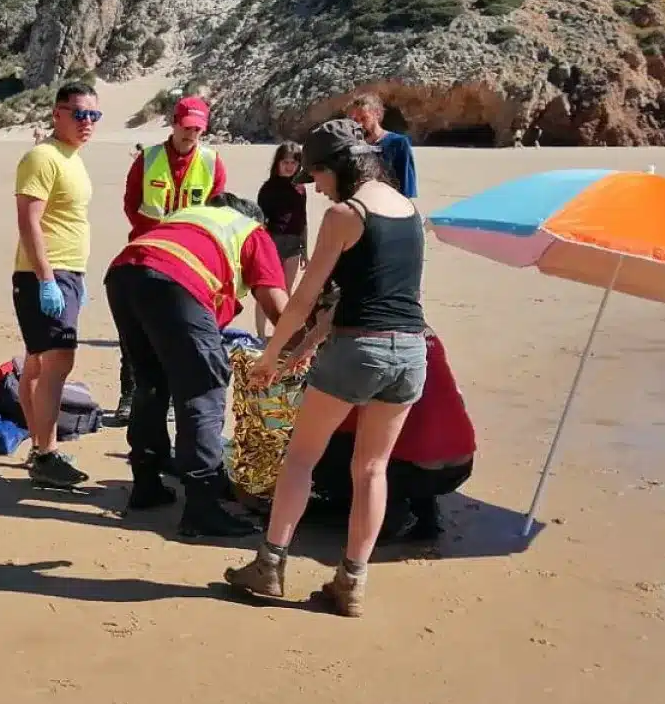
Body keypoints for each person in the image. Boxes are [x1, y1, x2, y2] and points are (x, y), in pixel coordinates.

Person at [225, 117, 428, 616]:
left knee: (300, 457)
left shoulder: (346, 214)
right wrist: (308, 346)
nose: (314, 187)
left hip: (359, 351)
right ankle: (352, 583)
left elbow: (303, 298)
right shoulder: (409, 210)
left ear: (337, 168)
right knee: (372, 468)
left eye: (316, 175)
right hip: (410, 350)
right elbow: (368, 295)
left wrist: (271, 357)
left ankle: (269, 565)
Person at [104, 190, 291, 536]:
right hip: (174, 279)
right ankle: (202, 506)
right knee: (203, 388)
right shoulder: (252, 231)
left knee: (152, 382)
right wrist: (305, 347)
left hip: (124, 272)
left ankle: (146, 482)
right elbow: (278, 307)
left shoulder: (190, 219)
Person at [113, 95, 229, 429]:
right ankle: (128, 395)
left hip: (190, 263)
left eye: (198, 129)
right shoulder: (148, 159)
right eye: (187, 126)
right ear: (174, 123)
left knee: (180, 333)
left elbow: (216, 210)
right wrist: (154, 233)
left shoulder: (211, 162)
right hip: (145, 254)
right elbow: (131, 203)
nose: (191, 134)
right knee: (135, 333)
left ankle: (175, 400)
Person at [12, 81, 100, 489]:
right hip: (46, 273)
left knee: (37, 361)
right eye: (79, 113)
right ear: (57, 113)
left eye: (93, 115)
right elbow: (29, 221)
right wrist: (47, 279)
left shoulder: (73, 158)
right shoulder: (42, 157)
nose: (87, 123)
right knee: (58, 362)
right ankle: (46, 454)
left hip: (68, 273)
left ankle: (38, 447)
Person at [305, 330, 474, 541]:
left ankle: (390, 515)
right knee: (413, 432)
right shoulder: (428, 336)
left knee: (324, 448)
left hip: (415, 470)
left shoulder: (366, 347)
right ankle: (424, 511)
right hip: (462, 461)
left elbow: (343, 423)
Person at [254, 140, 309, 338]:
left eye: (293, 163)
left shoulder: (300, 188)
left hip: (294, 244)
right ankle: (260, 335)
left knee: (286, 293)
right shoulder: (268, 189)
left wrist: (305, 249)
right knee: (266, 292)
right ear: (277, 163)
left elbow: (303, 219)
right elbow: (260, 221)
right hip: (272, 243)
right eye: (285, 162)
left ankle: (281, 335)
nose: (289, 166)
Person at [346, 92, 417, 199]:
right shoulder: (354, 146)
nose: (359, 124)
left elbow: (406, 187)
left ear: (377, 114)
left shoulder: (398, 143)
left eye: (364, 118)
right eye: (355, 120)